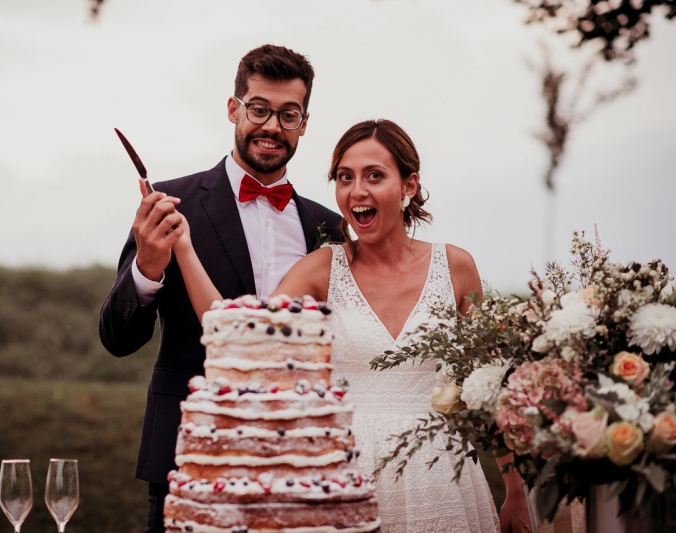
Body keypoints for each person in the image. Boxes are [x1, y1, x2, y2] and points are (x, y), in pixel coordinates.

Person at [172, 119, 532, 532]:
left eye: (374, 176)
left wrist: (515, 491)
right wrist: (184, 249)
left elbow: (491, 391)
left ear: (408, 186)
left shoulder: (456, 267)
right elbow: (236, 337)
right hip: (346, 481)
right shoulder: (320, 270)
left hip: (442, 480)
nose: (356, 191)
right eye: (345, 178)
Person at [98, 44, 343, 532]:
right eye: (259, 109)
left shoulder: (329, 226)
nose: (272, 126)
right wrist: (148, 268)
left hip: (298, 466)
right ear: (234, 109)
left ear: (304, 123)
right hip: (189, 456)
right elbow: (117, 339)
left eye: (288, 114)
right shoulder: (171, 203)